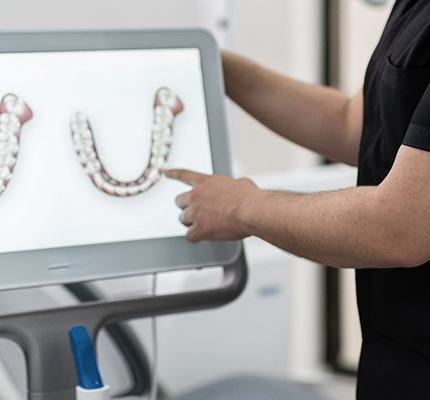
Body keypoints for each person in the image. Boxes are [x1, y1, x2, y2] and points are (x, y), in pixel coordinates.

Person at [163, 1, 430, 399]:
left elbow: (401, 226)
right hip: (394, 363)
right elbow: (352, 123)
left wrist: (244, 207)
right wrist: (217, 67)